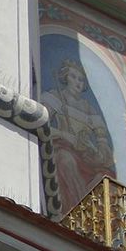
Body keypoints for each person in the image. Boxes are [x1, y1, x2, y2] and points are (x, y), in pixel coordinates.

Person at [42, 60, 115, 211]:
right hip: (64, 147)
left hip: (86, 155)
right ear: (65, 78)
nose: (77, 82)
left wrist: (99, 153)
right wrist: (65, 135)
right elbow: (42, 123)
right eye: (73, 77)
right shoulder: (56, 97)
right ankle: (76, 209)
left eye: (81, 79)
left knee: (106, 177)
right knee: (65, 159)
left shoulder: (89, 109)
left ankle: (89, 213)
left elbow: (102, 141)